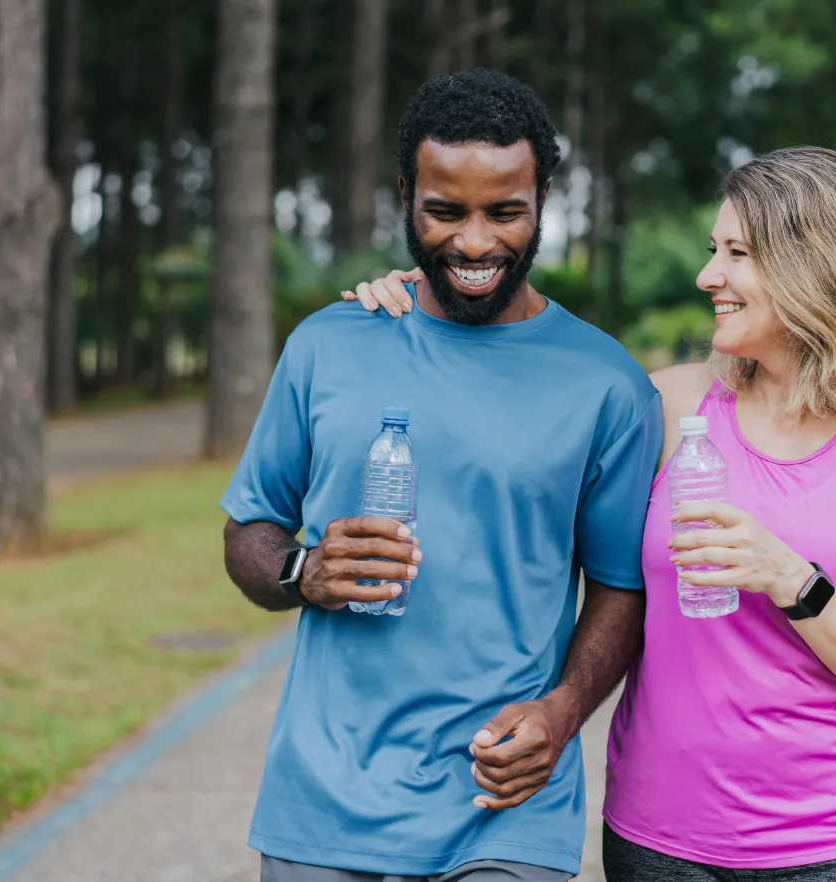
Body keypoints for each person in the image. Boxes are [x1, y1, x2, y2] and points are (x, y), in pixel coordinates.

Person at [343, 146, 836, 881]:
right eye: (715, 250)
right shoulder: (671, 406)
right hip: (661, 839)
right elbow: (520, 384)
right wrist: (423, 297)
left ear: (819, 265)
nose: (709, 275)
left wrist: (792, 578)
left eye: (737, 253)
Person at [220, 68, 663, 882]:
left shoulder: (607, 384)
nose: (473, 243)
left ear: (545, 199)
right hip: (323, 801)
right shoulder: (329, 344)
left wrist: (562, 716)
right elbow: (249, 530)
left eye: (505, 211)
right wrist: (303, 569)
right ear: (404, 196)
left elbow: (622, 588)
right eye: (444, 211)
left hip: (504, 803)